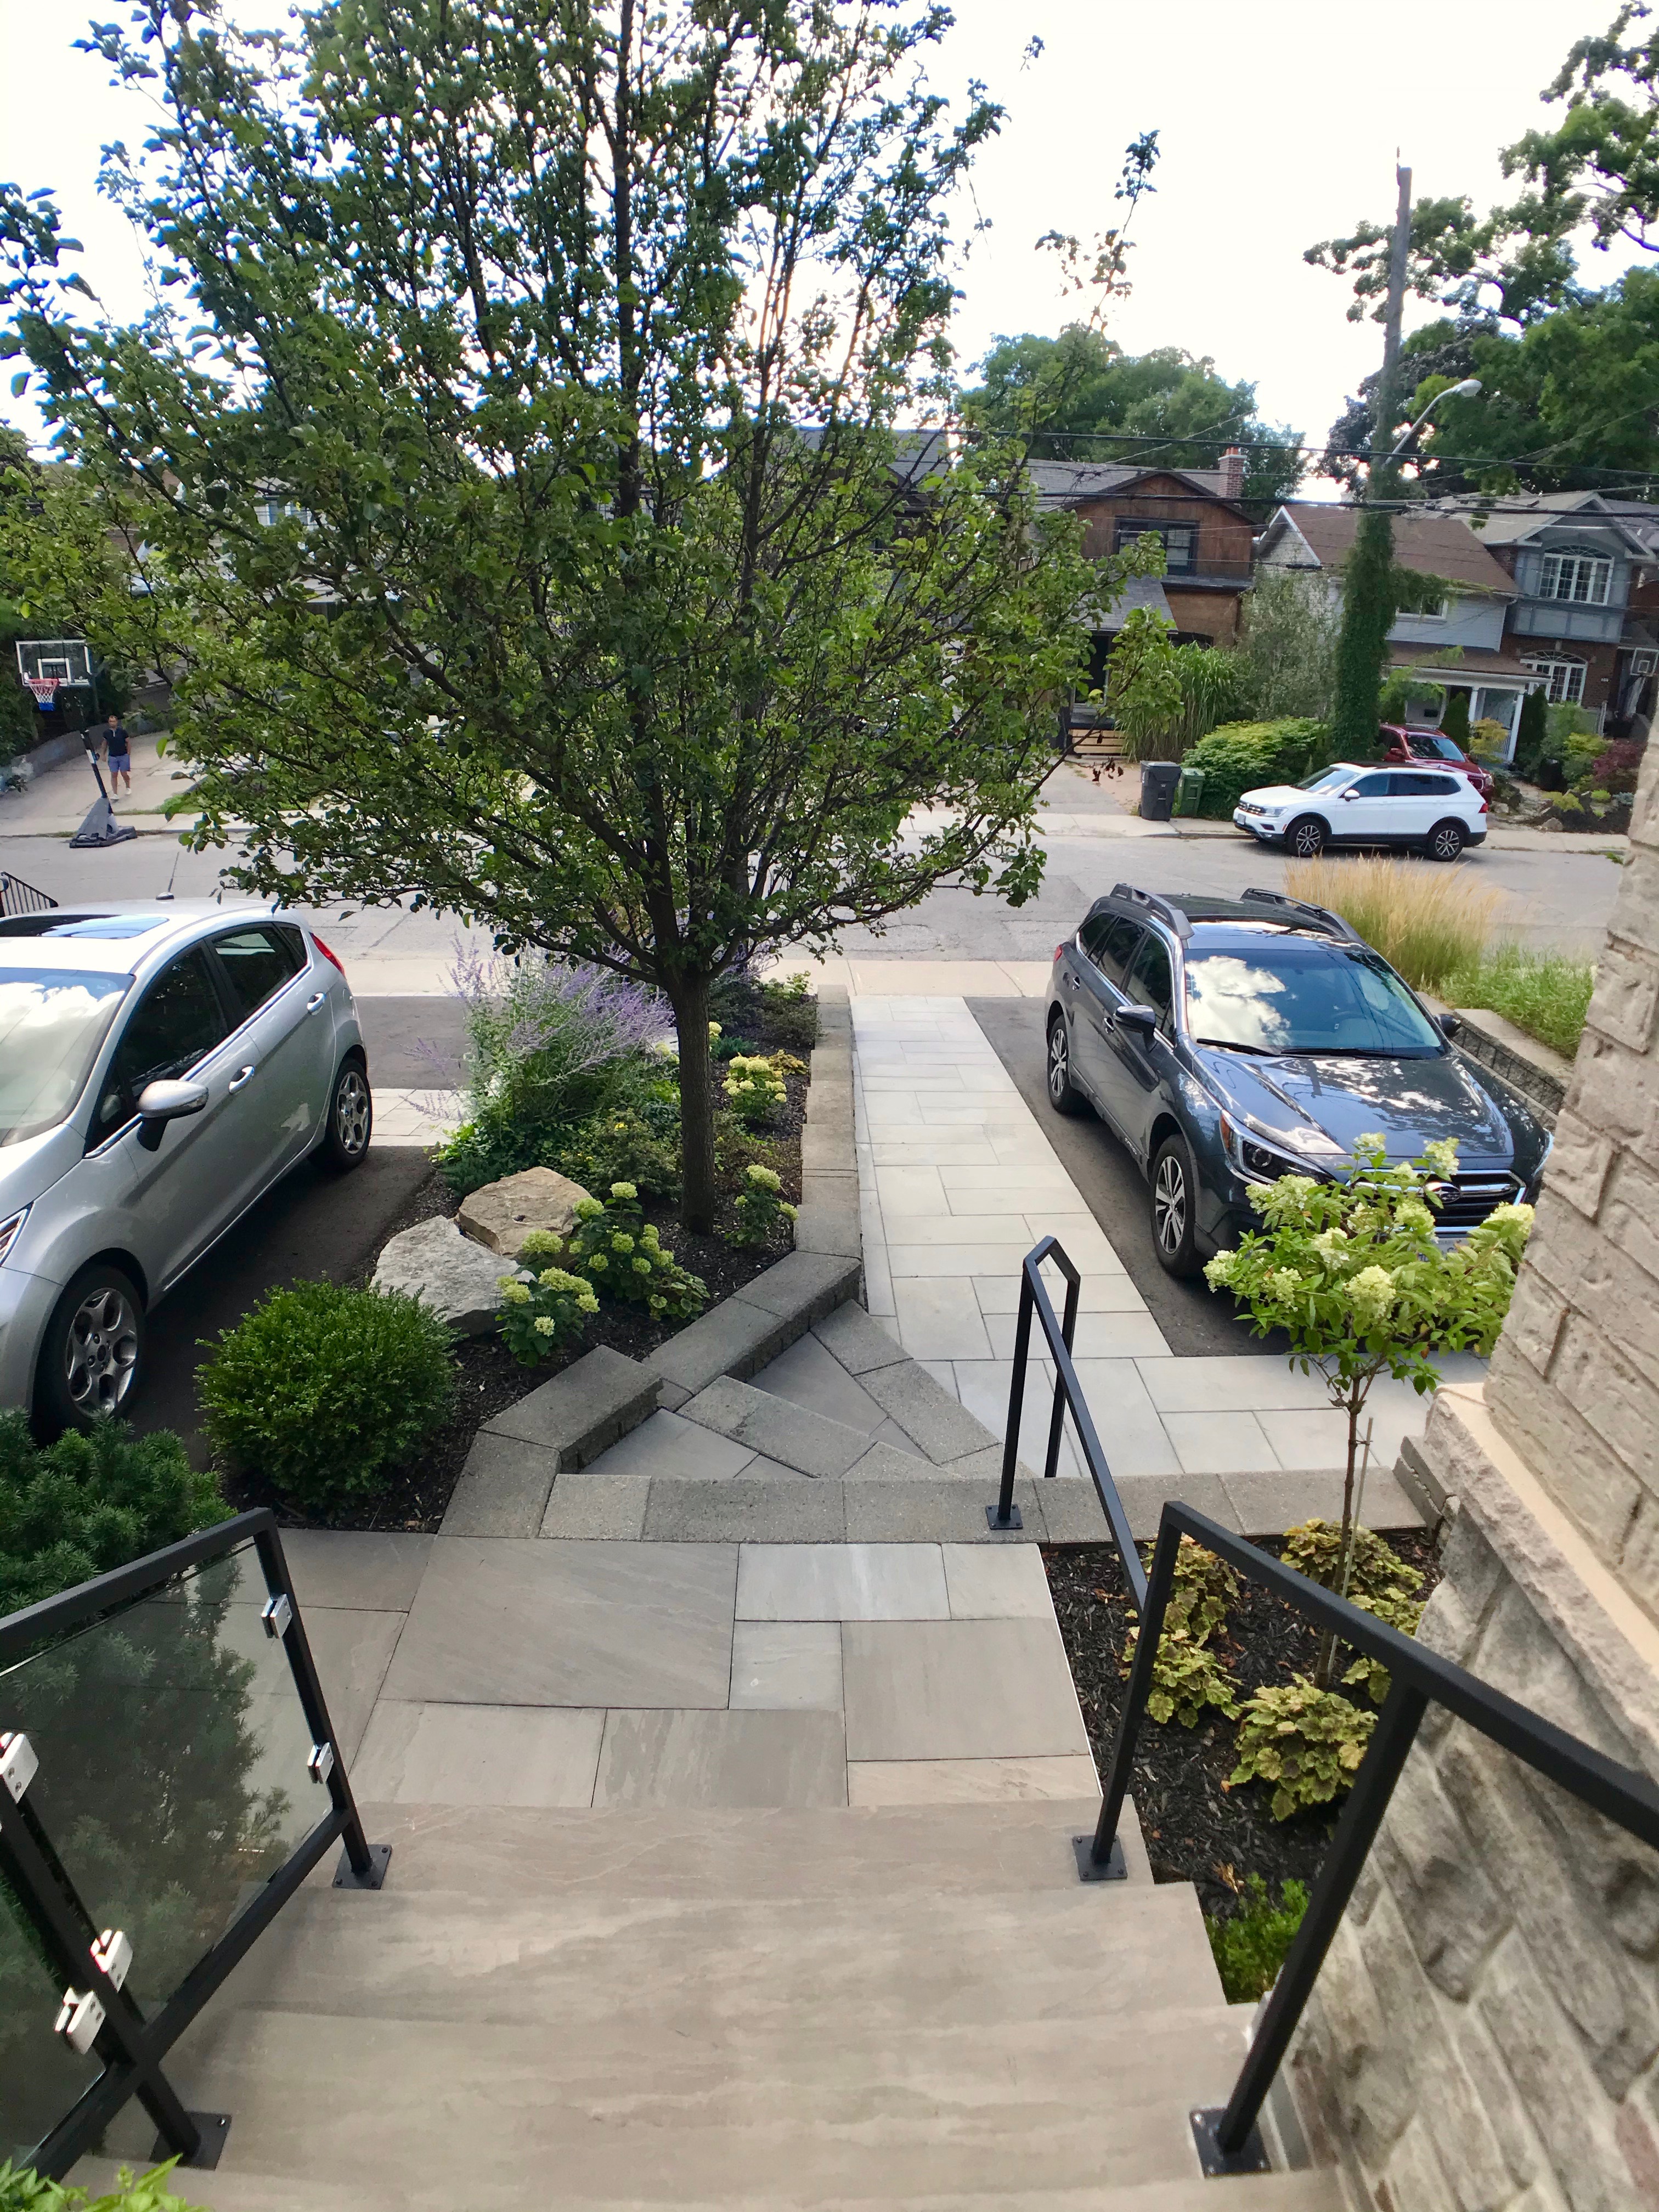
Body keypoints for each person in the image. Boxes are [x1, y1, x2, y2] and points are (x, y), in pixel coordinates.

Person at [101, 711, 132, 796]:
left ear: (117, 722)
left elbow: (128, 742)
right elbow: (105, 744)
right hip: (112, 756)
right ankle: (115, 793)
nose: (112, 723)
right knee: (114, 774)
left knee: (124, 773)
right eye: (111, 721)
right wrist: (103, 754)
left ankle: (128, 787)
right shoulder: (107, 733)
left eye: (114, 721)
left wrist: (128, 753)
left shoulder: (122, 731)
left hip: (123, 755)